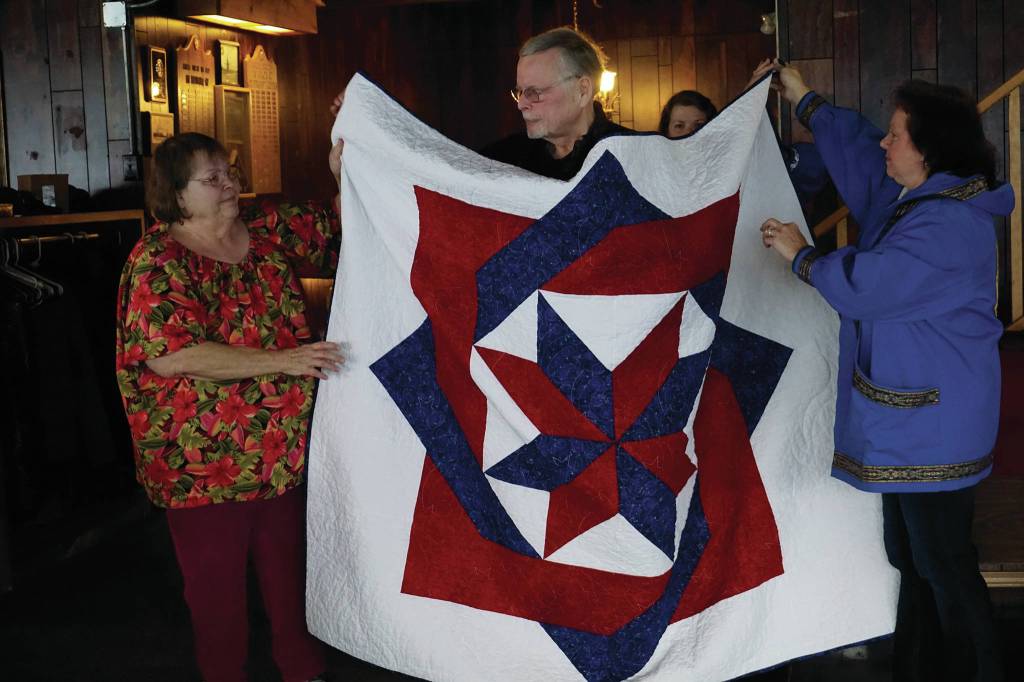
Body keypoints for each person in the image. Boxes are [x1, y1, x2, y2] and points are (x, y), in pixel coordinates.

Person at [761, 62, 1011, 681]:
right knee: (914, 556)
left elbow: (869, 287)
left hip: (935, 421)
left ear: (926, 151)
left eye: (897, 135)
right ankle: (922, 667)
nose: (884, 142)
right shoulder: (916, 198)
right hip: (915, 416)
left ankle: (978, 670)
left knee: (943, 563)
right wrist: (806, 101)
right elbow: (861, 148)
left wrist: (804, 256)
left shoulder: (948, 224)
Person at [115, 132, 345, 682]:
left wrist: (342, 169)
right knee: (218, 600)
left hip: (282, 452)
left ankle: (302, 671)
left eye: (230, 172)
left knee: (291, 581)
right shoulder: (157, 257)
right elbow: (172, 355)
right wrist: (286, 361)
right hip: (201, 462)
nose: (230, 185)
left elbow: (342, 227)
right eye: (212, 178)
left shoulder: (264, 229)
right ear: (175, 193)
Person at [480, 26, 630, 179]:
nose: (521, 105)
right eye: (520, 92)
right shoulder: (501, 159)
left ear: (582, 91)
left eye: (534, 92)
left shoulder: (632, 156)